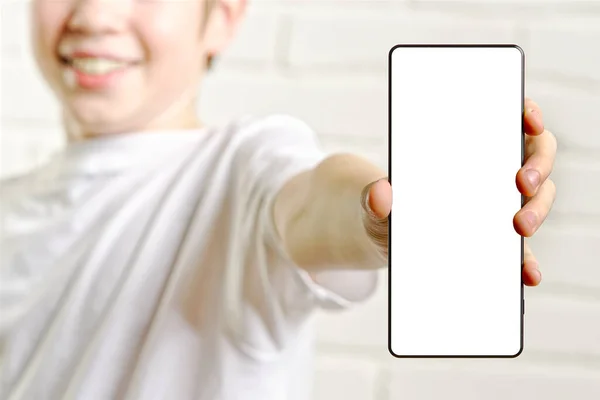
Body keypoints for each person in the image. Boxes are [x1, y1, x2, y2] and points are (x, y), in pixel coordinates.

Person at [0, 0, 557, 399]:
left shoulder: (240, 166)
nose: (93, 15)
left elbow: (310, 200)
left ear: (221, 16)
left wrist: (382, 213)